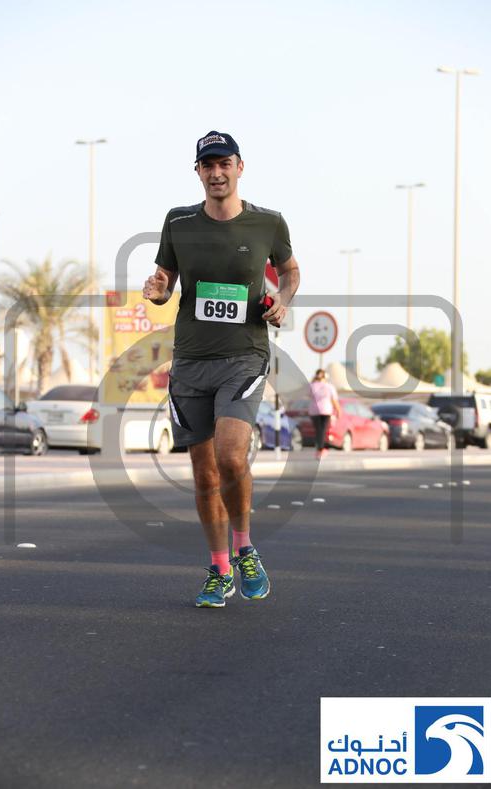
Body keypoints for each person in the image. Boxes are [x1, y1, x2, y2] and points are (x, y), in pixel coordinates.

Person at [143, 130, 300, 608]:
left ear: (239, 168)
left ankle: (245, 549)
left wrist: (283, 299)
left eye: (224, 164)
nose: (216, 173)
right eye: (207, 165)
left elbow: (290, 270)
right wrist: (158, 290)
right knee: (205, 475)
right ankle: (218, 569)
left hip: (244, 356)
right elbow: (166, 281)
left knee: (231, 456)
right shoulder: (178, 222)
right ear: (198, 172)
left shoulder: (268, 223)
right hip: (191, 360)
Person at [309, 369, 340, 458]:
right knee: (323, 430)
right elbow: (334, 400)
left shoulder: (312, 386)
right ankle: (321, 449)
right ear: (325, 377)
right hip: (325, 411)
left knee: (318, 430)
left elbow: (308, 395)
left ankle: (319, 448)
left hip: (314, 411)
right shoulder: (329, 386)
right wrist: (338, 410)